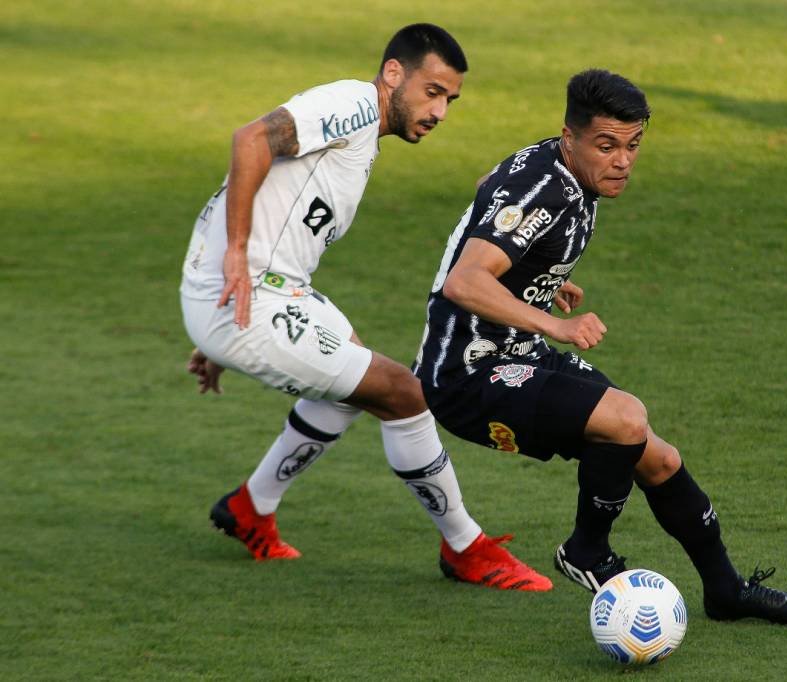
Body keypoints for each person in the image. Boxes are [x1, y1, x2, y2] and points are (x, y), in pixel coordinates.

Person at [412, 68, 787, 622]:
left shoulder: (565, 171)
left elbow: (490, 189)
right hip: (468, 374)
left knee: (656, 455)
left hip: (516, 352)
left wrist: (539, 274)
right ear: (569, 136)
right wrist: (551, 321)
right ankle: (586, 551)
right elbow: (464, 281)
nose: (623, 160)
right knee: (625, 419)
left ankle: (725, 589)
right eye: (607, 145)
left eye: (633, 145)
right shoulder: (545, 193)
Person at [179, 24, 550, 591]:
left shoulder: (361, 135)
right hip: (249, 290)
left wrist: (218, 325)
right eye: (432, 92)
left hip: (262, 292)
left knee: (351, 380)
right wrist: (232, 271)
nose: (441, 111)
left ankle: (252, 506)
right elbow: (251, 139)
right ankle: (466, 549)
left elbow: (278, 214)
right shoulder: (352, 104)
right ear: (394, 74)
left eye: (450, 99)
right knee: (401, 392)